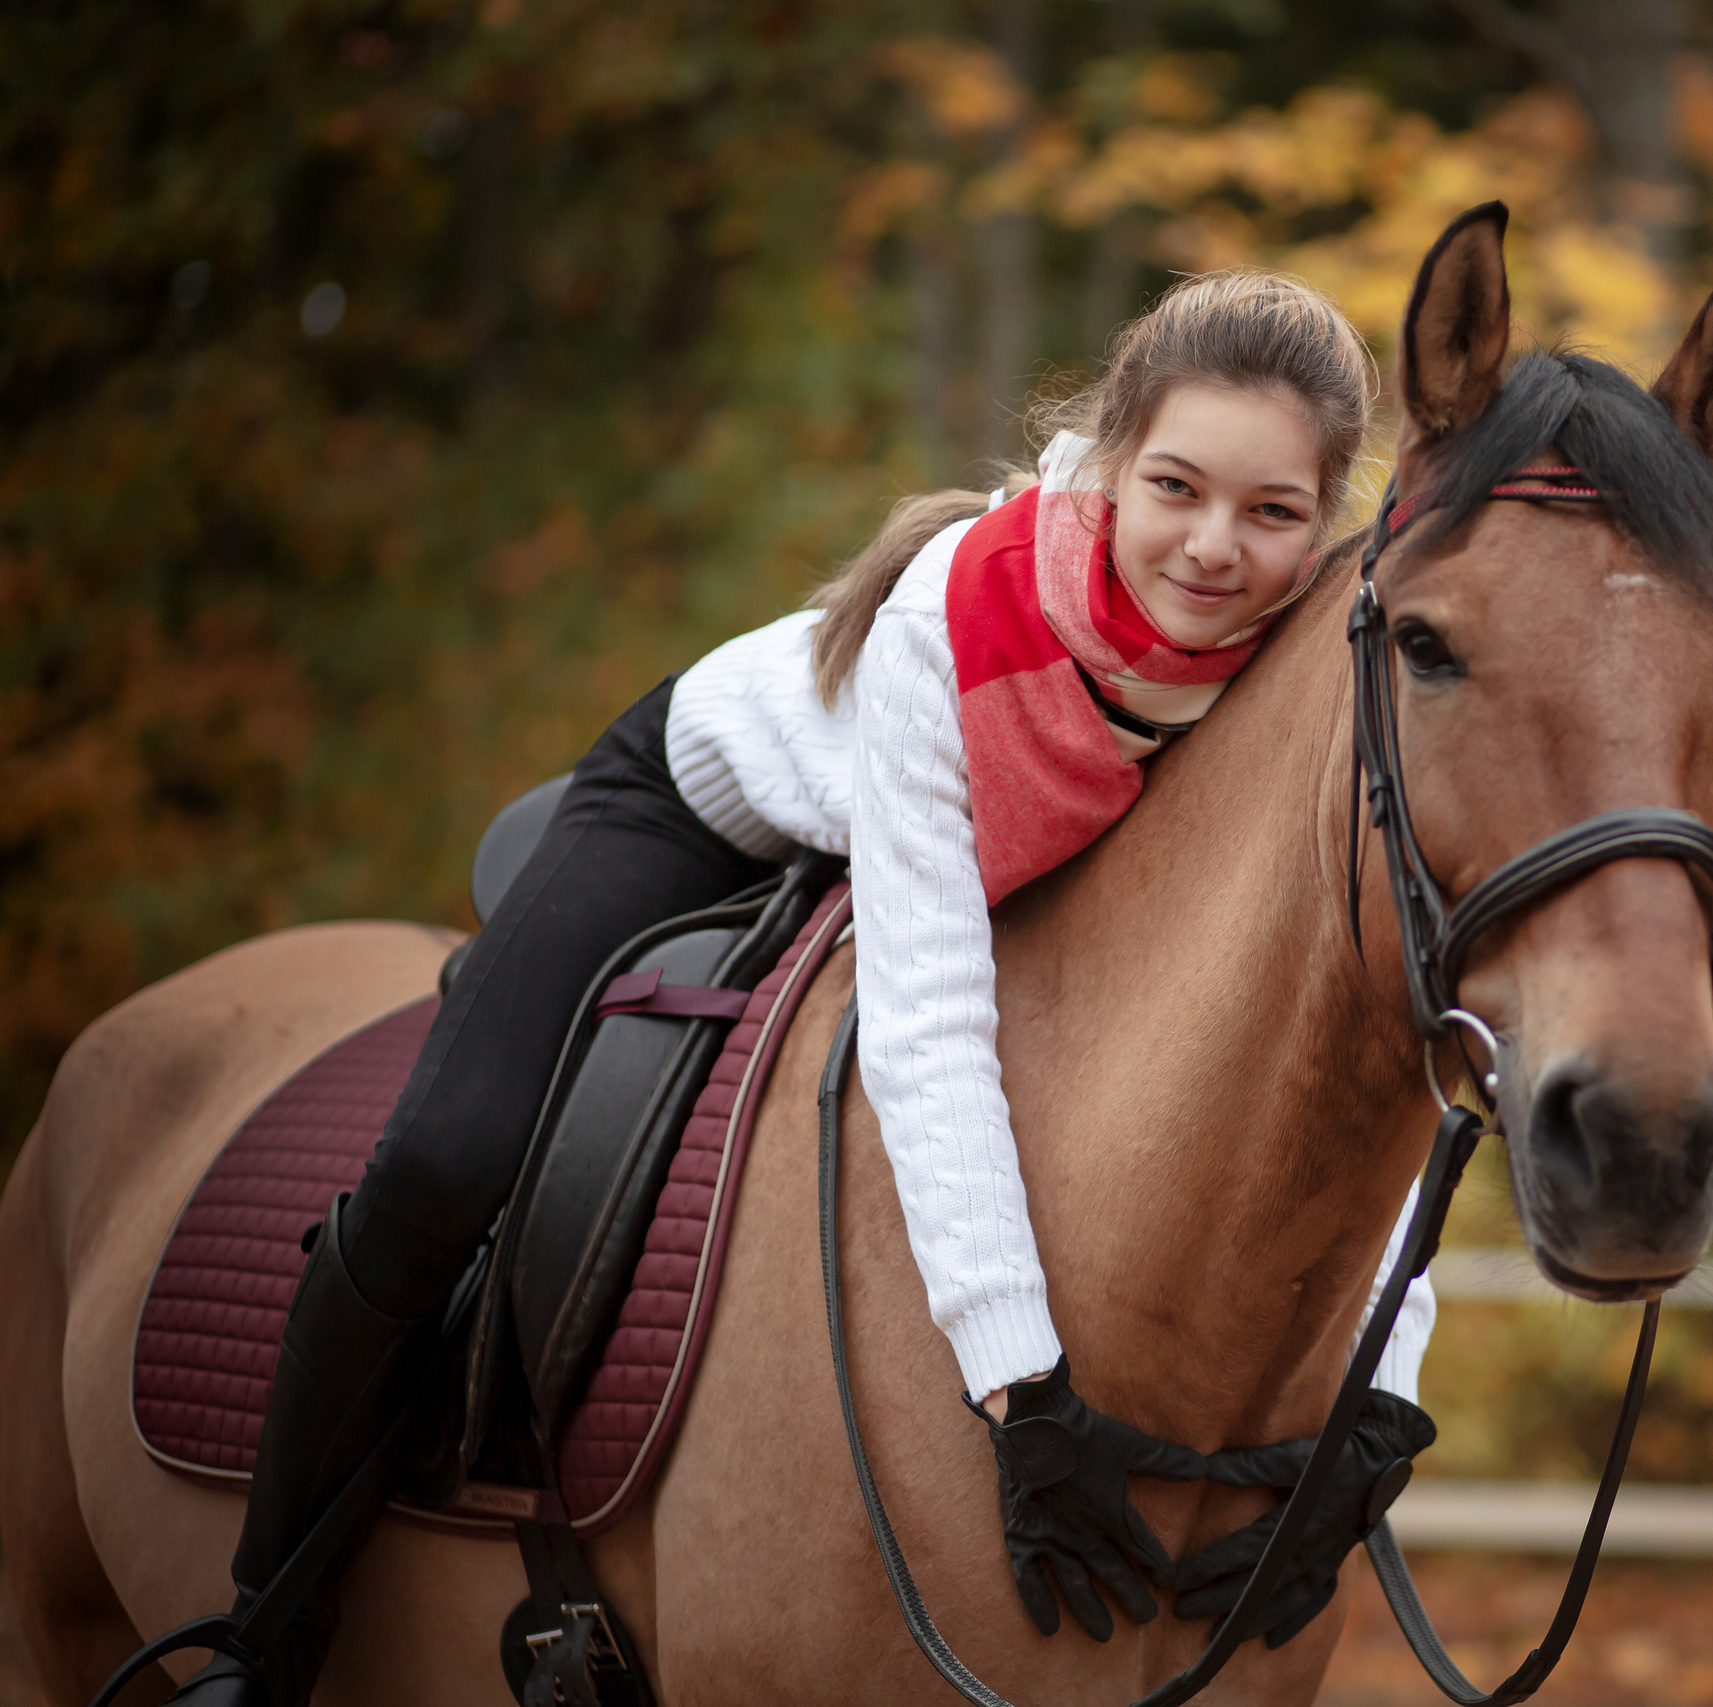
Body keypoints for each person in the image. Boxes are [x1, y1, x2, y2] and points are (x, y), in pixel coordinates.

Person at [184, 271, 1437, 1706]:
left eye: (1274, 513)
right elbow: (924, 1028)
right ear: (1108, 467)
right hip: (700, 804)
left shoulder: (1291, 669)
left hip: (1003, 857)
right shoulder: (949, 617)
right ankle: (254, 1634)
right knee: (443, 1156)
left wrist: (1380, 1401)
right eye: (1178, 488)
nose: (1217, 548)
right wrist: (1022, 1393)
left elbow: (1331, 1068)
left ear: (1328, 519)